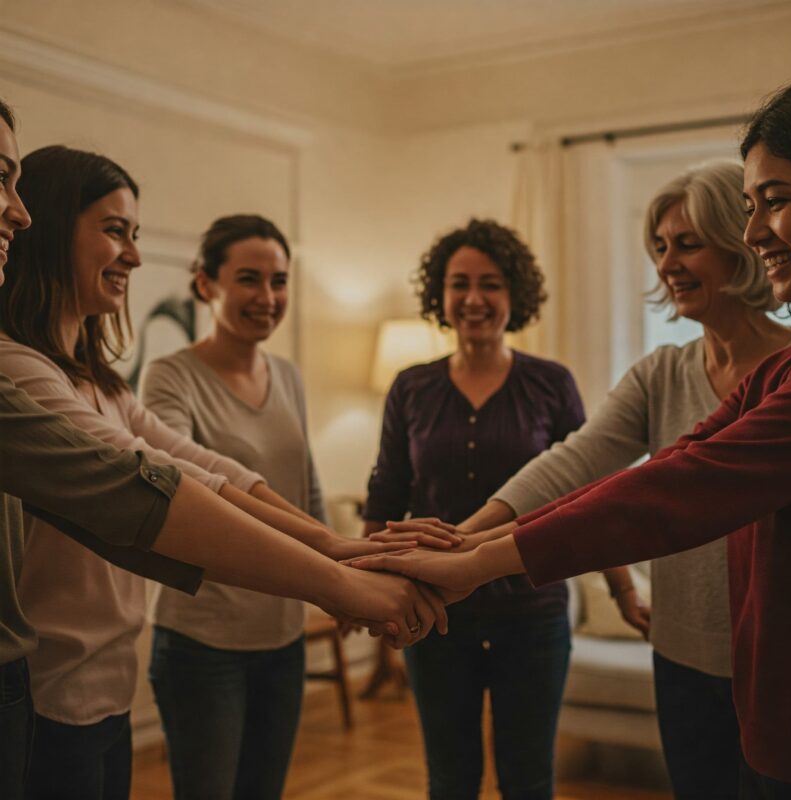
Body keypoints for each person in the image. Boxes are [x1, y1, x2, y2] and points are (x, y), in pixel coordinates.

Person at [349, 81, 791, 798]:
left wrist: (473, 559)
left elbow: (668, 492)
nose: (668, 262)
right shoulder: (672, 373)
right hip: (686, 650)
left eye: (688, 243)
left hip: (771, 658)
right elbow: (586, 466)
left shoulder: (786, 370)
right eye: (659, 246)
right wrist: (463, 545)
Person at [0, 98, 444, 800]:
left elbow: (213, 470)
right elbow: (154, 483)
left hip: (103, 688)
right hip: (53, 695)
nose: (136, 255)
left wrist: (342, 551)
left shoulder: (104, 384)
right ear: (52, 231)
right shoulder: (19, 369)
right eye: (116, 231)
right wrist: (346, 579)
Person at [362, 219, 585, 800]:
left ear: (516, 295)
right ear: (440, 295)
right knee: (449, 778)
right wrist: (358, 589)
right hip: (434, 615)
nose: (473, 299)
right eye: (459, 284)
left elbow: (586, 491)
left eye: (490, 284)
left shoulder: (552, 384)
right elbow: (386, 495)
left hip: (532, 613)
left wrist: (625, 591)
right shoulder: (410, 388)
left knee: (528, 779)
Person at [139, 215, 320, 799]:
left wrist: (343, 575)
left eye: (279, 281)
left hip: (283, 634)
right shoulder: (170, 376)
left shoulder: (287, 375)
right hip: (202, 641)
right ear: (204, 285)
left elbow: (305, 489)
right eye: (249, 279)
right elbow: (184, 482)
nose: (267, 298)